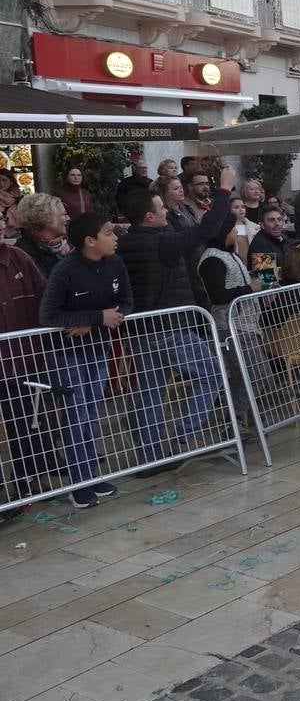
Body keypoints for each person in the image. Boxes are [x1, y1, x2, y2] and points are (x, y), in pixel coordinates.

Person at [119, 173, 235, 468]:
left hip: (140, 331)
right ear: (148, 216)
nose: (167, 212)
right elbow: (205, 230)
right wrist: (223, 191)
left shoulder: (123, 244)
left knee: (149, 393)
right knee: (212, 373)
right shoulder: (162, 243)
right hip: (170, 328)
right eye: (161, 209)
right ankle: (184, 434)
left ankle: (150, 457)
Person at [38, 212, 133, 508]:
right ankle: (79, 483)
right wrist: (95, 317)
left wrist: (97, 321)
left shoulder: (115, 263)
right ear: (90, 241)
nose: (115, 238)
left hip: (98, 347)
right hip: (67, 353)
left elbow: (127, 301)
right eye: (108, 233)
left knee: (92, 412)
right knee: (77, 413)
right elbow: (49, 316)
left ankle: (90, 474)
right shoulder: (65, 270)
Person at [0, 240, 52, 519]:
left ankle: (25, 483)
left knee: (24, 424)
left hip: (20, 360)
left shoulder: (18, 257)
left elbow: (45, 294)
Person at [13, 193, 70, 275]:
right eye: (64, 214)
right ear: (46, 218)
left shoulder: (71, 243)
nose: (68, 218)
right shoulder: (24, 253)